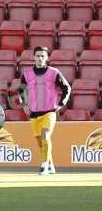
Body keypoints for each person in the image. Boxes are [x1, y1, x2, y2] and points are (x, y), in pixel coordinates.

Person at [19, 46, 71, 175]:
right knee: (40, 143)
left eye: (42, 56)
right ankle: (51, 165)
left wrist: (61, 103)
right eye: (37, 56)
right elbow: (20, 90)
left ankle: (44, 166)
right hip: (34, 113)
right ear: (33, 57)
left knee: (45, 137)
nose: (40, 58)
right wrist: (24, 105)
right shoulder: (27, 74)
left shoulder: (54, 72)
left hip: (49, 112)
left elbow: (66, 88)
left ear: (47, 58)